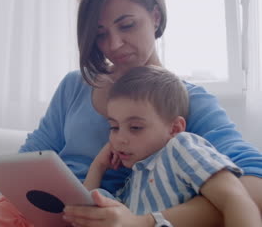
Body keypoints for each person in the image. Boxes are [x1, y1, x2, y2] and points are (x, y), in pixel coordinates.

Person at [0, 0, 262, 227]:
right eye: (100, 33)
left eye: (127, 25)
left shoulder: (188, 100)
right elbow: (29, 158)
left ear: (155, 17)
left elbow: (254, 186)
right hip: (29, 211)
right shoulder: (74, 86)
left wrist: (144, 221)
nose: (114, 44)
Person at [81, 65, 261, 227]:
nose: (120, 139)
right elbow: (85, 212)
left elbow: (235, 199)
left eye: (135, 127)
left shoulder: (181, 148)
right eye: (114, 127)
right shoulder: (133, 182)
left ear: (174, 128)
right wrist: (98, 166)